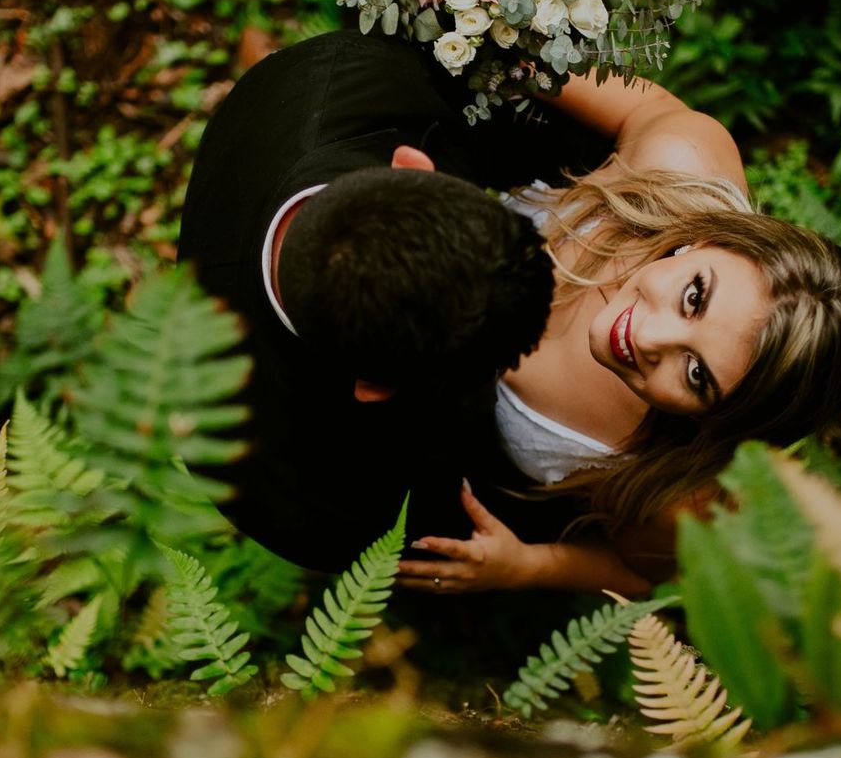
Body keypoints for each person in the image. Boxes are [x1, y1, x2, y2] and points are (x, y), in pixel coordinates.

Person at [392, 70, 841, 598]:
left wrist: (526, 567)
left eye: (697, 375)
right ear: (708, 241)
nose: (649, 338)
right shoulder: (680, 160)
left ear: (713, 419)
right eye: (695, 296)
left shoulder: (673, 481)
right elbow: (544, 64)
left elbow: (640, 573)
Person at [177, 30, 610, 571]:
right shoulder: (281, 481)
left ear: (412, 166)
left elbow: (566, 133)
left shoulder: (359, 74)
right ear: (375, 389)